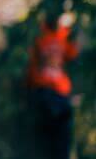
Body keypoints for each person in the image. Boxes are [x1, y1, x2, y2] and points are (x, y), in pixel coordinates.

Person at [26, 10, 80, 159]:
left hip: (60, 90)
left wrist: (74, 37)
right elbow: (30, 61)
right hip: (43, 87)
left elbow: (72, 54)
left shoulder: (63, 37)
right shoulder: (39, 36)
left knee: (65, 118)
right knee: (52, 115)